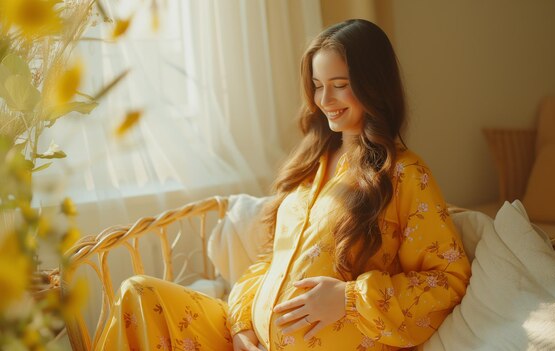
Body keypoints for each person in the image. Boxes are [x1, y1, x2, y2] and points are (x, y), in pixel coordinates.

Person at [95, 19, 471, 351]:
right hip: (248, 342)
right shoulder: (311, 166)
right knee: (139, 293)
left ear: (374, 85)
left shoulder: (404, 174)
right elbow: (269, 260)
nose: (325, 100)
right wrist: (241, 325)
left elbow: (448, 280)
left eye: (340, 85)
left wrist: (349, 299)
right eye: (318, 85)